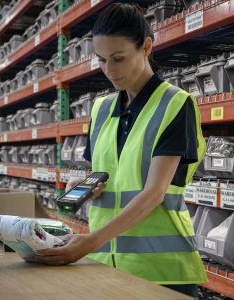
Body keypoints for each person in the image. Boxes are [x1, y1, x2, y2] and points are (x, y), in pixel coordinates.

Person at [36, 3, 207, 298]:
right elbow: (108, 178)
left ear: (147, 47)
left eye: (118, 59)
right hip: (105, 266)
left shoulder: (175, 105)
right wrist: (89, 188)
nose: (109, 71)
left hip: (161, 272)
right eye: (101, 60)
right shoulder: (101, 109)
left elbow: (155, 192)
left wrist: (88, 242)